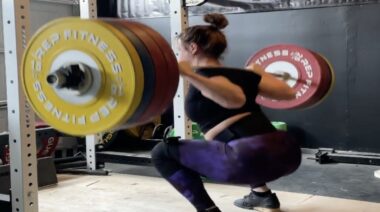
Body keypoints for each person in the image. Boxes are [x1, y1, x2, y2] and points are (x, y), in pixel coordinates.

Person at [151, 13, 301, 212]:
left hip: (245, 160)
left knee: (162, 152)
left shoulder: (206, 77)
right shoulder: (246, 75)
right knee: (237, 146)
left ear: (193, 48)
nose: (179, 56)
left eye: (180, 50)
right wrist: (259, 74)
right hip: (287, 154)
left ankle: (207, 209)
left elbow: (235, 98)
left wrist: (189, 74)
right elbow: (289, 93)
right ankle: (262, 194)